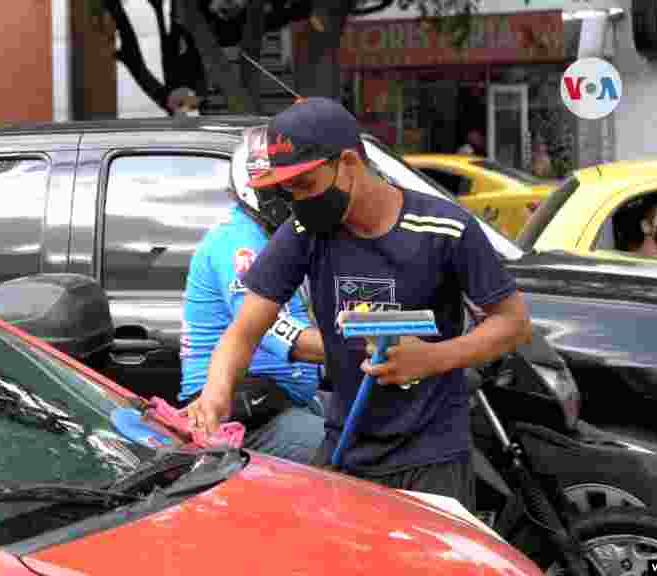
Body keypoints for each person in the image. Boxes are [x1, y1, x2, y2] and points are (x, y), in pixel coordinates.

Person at [184, 97, 532, 510]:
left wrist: (435, 358)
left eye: (305, 186)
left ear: (349, 164)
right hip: (345, 450)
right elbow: (243, 331)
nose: (296, 202)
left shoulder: (444, 227)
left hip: (431, 454)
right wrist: (216, 394)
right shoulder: (306, 231)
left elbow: (513, 323)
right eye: (287, 191)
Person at [178, 129, 326, 464]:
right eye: (284, 187)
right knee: (357, 456)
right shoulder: (240, 244)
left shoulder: (279, 237)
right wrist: (361, 346)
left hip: (283, 401)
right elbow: (275, 331)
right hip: (240, 413)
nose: (295, 194)